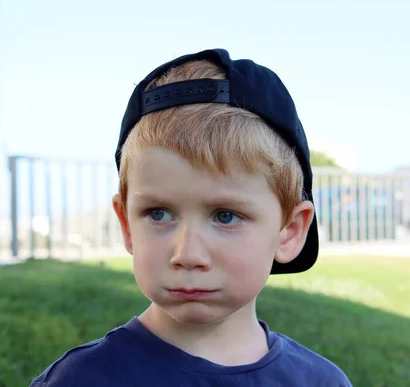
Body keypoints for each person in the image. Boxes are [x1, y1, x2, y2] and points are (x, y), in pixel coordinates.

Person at [30, 49, 352, 386]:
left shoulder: (321, 381)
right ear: (127, 225)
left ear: (288, 232)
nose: (187, 254)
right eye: (158, 213)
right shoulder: (81, 380)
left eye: (225, 216)